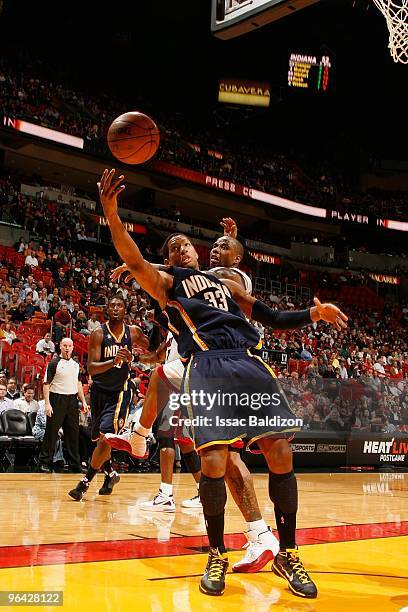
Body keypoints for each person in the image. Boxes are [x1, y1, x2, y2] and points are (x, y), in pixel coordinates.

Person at [98, 169, 347, 598]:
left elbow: (268, 316)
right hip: (206, 366)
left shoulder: (225, 281)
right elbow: (137, 260)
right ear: (171, 260)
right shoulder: (167, 284)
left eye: (187, 244)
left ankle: (287, 553)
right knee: (213, 462)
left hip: (248, 363)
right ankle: (216, 552)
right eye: (175, 247)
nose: (185, 248)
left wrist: (313, 314)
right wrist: (113, 218)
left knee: (280, 451)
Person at [108, 229, 281, 571]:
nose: (216, 251)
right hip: (209, 363)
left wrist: (140, 264)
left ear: (237, 257)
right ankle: (260, 534)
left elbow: (204, 276)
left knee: (166, 386)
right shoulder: (195, 281)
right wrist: (143, 265)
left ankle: (139, 439)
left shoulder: (226, 277)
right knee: (226, 455)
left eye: (223, 247)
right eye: (213, 245)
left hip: (219, 362)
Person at [68, 295, 149, 501]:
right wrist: (114, 361)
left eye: (119, 305)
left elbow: (154, 350)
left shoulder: (134, 332)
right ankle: (111, 475)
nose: (115, 308)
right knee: (100, 440)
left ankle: (84, 483)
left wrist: (135, 358)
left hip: (120, 392)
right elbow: (92, 369)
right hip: (99, 393)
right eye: (111, 305)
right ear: (107, 310)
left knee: (105, 438)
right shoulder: (97, 334)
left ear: (125, 310)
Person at [39, 337, 89, 473]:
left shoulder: (75, 365)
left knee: (73, 433)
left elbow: (78, 384)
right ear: (60, 347)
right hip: (56, 399)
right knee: (52, 432)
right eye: (65, 345)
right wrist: (47, 404)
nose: (67, 348)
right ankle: (44, 462)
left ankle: (75, 464)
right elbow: (46, 384)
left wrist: (83, 401)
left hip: (72, 400)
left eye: (70, 346)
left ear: (73, 348)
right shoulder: (54, 363)